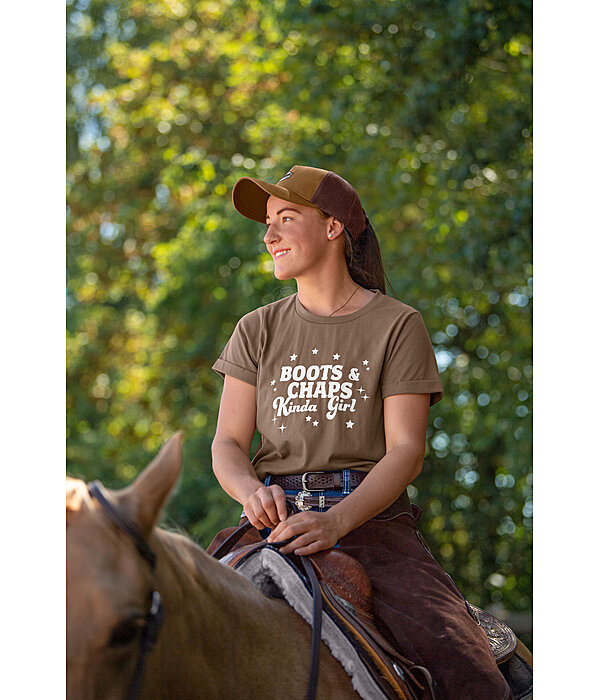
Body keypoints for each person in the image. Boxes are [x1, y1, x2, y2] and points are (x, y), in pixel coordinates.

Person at [210, 165, 512, 699]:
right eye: (267, 222)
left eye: (286, 218)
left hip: (372, 528)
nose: (269, 235)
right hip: (269, 525)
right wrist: (250, 492)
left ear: (333, 227)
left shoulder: (397, 324)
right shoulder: (255, 328)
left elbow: (406, 451)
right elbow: (228, 443)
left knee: (465, 669)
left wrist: (336, 521)